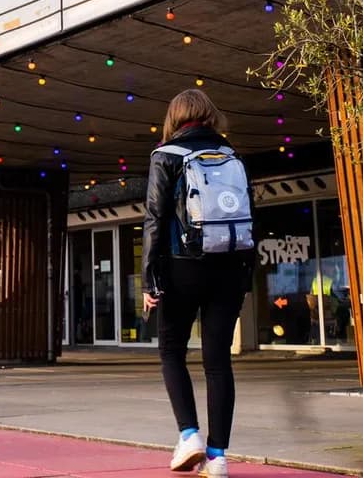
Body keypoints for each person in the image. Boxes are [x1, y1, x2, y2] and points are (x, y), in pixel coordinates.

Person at [142, 89, 254, 477]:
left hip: (181, 267)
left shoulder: (166, 155)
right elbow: (249, 216)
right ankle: (218, 456)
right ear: (210, 115)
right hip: (231, 267)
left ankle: (189, 434)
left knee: (172, 351)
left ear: (175, 118)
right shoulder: (233, 157)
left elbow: (155, 219)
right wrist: (245, 279)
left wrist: (149, 279)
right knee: (218, 363)